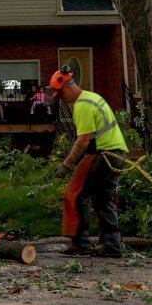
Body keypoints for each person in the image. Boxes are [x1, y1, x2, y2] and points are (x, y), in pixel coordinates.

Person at [51, 66, 128, 258]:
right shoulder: (92, 97)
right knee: (104, 198)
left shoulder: (82, 105)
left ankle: (80, 243)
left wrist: (66, 165)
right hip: (118, 153)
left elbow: (82, 141)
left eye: (60, 94)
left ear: (68, 87)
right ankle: (112, 245)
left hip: (105, 154)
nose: (60, 98)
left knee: (77, 194)